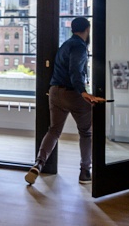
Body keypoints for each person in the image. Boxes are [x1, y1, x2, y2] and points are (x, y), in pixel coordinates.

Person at [25, 17, 105, 185]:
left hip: (54, 92)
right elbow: (75, 70)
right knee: (86, 132)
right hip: (72, 93)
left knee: (54, 130)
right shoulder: (80, 47)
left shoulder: (65, 45)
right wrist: (83, 92)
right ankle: (85, 171)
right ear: (87, 29)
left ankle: (39, 163)